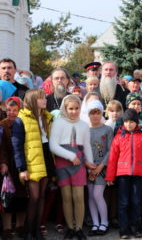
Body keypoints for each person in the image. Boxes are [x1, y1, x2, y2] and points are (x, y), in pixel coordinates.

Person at [49, 94, 96, 240]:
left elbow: (87, 145)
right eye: (71, 108)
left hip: (79, 163)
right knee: (67, 197)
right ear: (65, 108)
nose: (74, 111)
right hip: (63, 163)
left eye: (77, 108)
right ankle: (70, 227)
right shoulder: (58, 123)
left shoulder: (83, 124)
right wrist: (70, 156)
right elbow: (53, 145)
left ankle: (79, 228)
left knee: (79, 197)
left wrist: (90, 165)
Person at [105, 109, 142, 239]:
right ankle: (124, 229)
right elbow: (112, 159)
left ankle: (137, 227)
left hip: (138, 175)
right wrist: (110, 176)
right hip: (123, 175)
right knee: (123, 202)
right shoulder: (118, 138)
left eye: (132, 122)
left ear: (136, 122)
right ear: (123, 122)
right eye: (126, 121)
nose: (129, 124)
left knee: (137, 201)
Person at [12, 89, 55, 239]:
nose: (45, 100)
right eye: (41, 98)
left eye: (44, 98)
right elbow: (17, 146)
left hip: (46, 157)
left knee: (42, 196)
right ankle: (29, 231)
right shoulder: (21, 119)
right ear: (32, 100)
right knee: (34, 197)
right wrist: (22, 168)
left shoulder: (46, 117)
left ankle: (37, 230)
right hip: (32, 161)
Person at [0, 97, 27, 240]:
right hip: (8, 166)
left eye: (15, 110)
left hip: (22, 165)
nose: (12, 113)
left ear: (19, 110)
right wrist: (3, 163)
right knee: (8, 197)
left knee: (22, 197)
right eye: (9, 110)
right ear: (5, 109)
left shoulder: (23, 122)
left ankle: (20, 226)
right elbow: (2, 147)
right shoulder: (2, 125)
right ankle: (7, 228)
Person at [85, 100, 113, 236]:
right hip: (89, 168)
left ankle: (104, 222)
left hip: (102, 168)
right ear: (88, 114)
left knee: (97, 194)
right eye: (92, 113)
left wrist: (101, 166)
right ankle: (95, 223)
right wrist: (88, 166)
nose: (95, 116)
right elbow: (83, 149)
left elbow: (110, 150)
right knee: (90, 195)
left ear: (102, 112)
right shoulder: (85, 130)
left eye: (97, 113)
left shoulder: (107, 129)